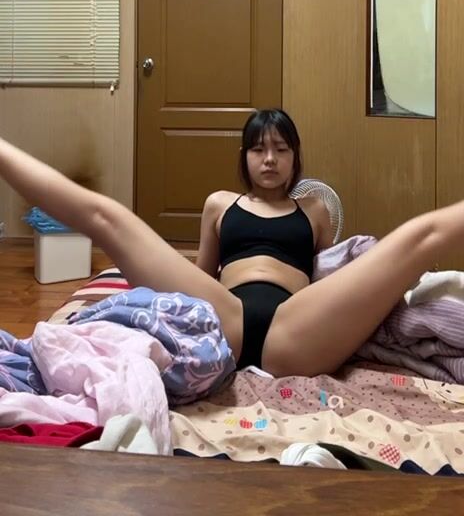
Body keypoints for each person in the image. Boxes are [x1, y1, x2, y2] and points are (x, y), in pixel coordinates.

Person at [0, 107, 462, 379]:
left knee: (416, 239)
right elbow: (201, 277)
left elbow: (329, 278)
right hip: (224, 318)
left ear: (295, 158)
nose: (269, 159)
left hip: (296, 328)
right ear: (244, 157)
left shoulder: (315, 210)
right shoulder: (220, 204)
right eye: (259, 149)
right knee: (109, 219)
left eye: (281, 149)